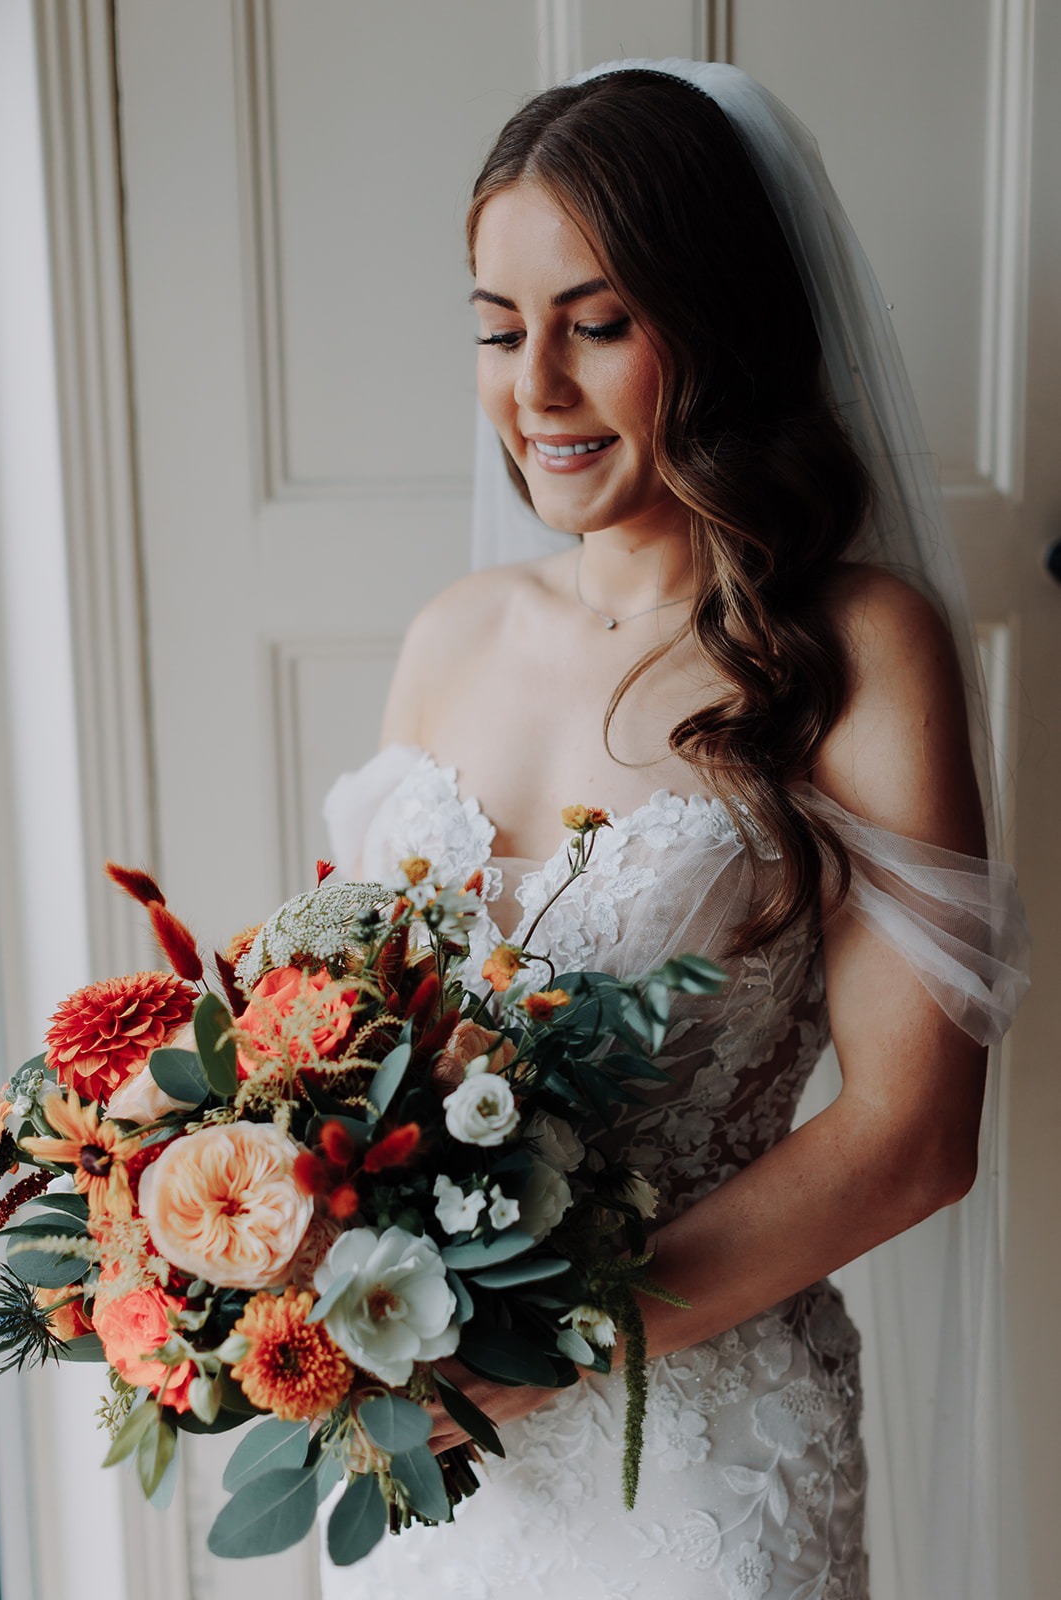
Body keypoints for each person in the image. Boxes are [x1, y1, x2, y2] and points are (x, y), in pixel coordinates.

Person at [322, 61, 1028, 1600]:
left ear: (716, 322)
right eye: (500, 333)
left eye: (598, 323)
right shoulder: (448, 637)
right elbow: (344, 1041)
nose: (536, 392)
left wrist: (551, 1345)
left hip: (700, 1467)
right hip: (434, 1460)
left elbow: (914, 1138)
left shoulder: (855, 647)